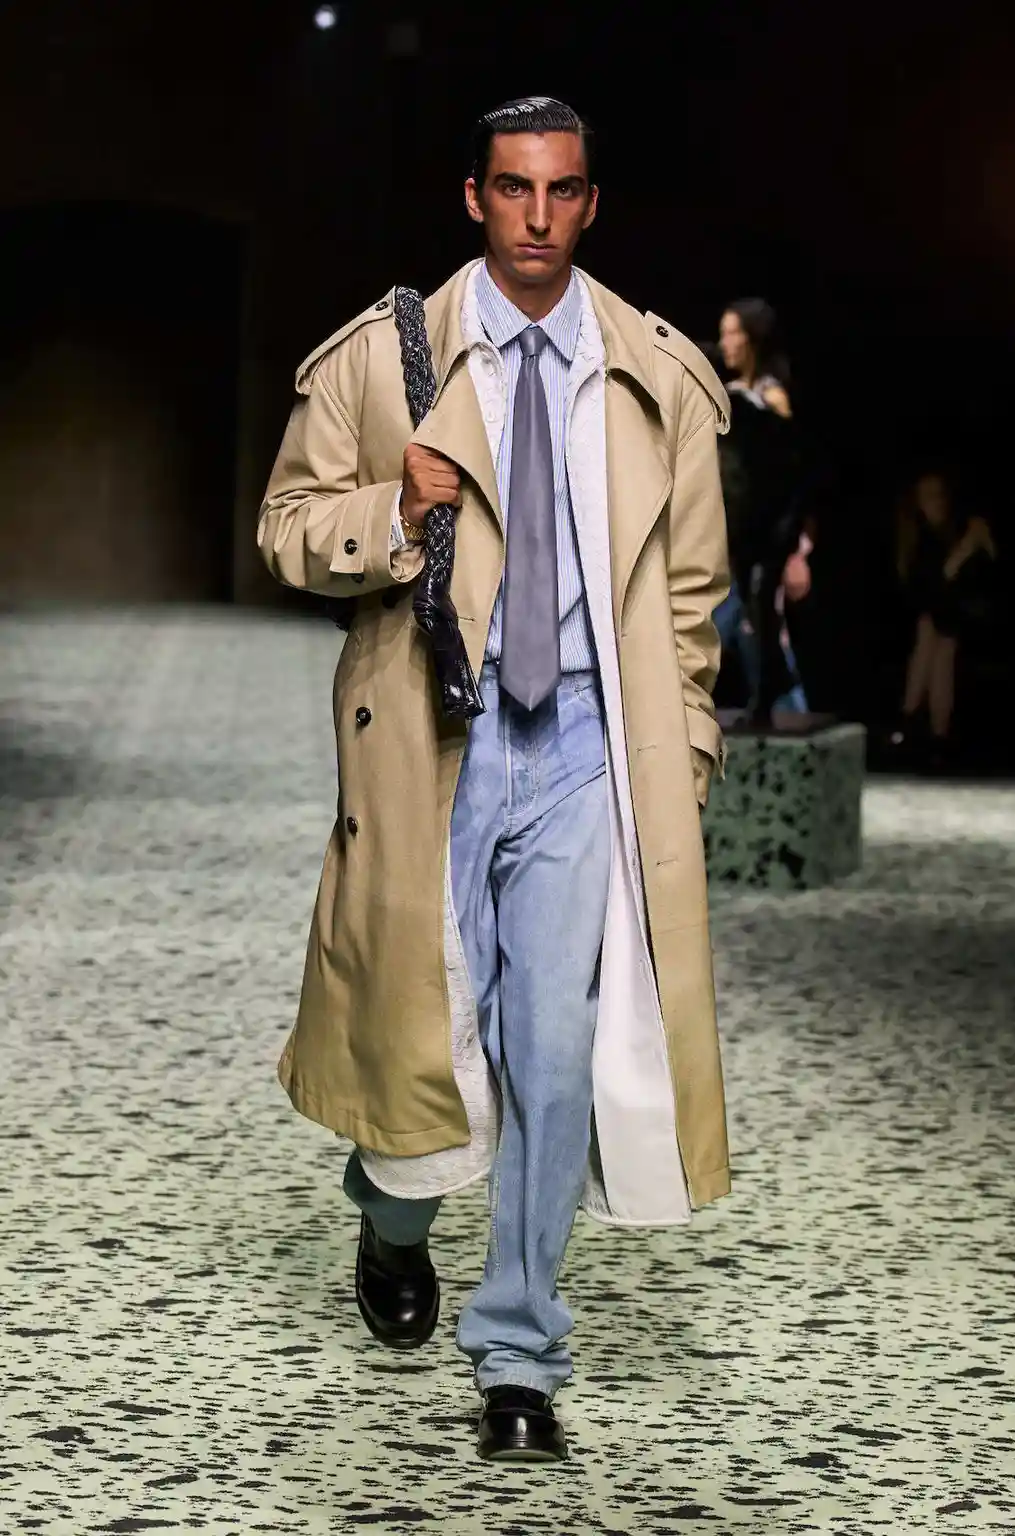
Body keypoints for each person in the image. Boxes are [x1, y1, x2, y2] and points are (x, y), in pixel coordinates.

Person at [257, 95, 732, 1465]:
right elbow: (285, 529)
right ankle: (391, 1217)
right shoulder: (380, 360)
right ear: (475, 197)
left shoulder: (655, 375)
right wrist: (394, 512)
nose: (538, 216)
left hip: (583, 744)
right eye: (513, 189)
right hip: (436, 740)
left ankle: (520, 1355)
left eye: (562, 190)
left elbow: (689, 595)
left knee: (553, 1053)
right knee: (424, 1050)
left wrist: (686, 752)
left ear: (591, 202)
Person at [714, 299, 808, 724]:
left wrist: (795, 542)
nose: (725, 343)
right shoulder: (734, 394)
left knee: (757, 610)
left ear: (752, 339)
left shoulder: (771, 397)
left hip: (772, 524)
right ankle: (773, 689)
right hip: (743, 525)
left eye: (733, 333)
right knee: (751, 613)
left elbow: (791, 465)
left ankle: (777, 693)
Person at [890, 469, 997, 765]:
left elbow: (987, 576)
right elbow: (929, 588)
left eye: (939, 495)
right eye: (927, 497)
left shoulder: (964, 527)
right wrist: (962, 553)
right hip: (938, 620)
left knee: (935, 633)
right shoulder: (919, 539)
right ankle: (938, 736)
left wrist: (969, 549)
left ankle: (909, 719)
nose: (935, 503)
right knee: (936, 639)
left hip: (974, 614)